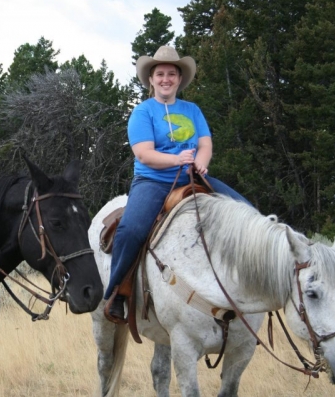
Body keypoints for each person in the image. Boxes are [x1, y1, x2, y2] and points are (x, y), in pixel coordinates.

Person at [105, 45, 250, 323]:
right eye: (160, 74)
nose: (166, 79)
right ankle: (117, 292)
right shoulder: (143, 112)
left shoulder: (192, 110)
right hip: (154, 180)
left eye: (171, 74)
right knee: (131, 230)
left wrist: (201, 163)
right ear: (151, 79)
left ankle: (249, 286)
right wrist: (177, 160)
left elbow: (205, 144)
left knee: (247, 212)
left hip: (193, 177)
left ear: (179, 79)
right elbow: (144, 154)